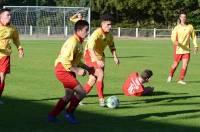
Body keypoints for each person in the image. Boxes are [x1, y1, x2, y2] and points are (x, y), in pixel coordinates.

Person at [48, 20, 90, 124]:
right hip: (62, 70)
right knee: (81, 92)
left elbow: (76, 61)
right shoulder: (73, 42)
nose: (88, 32)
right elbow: (65, 61)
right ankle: (69, 113)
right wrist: (77, 70)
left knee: (69, 95)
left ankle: (52, 116)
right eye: (86, 30)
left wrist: (88, 68)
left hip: (67, 69)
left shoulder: (79, 42)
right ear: (79, 30)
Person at [83, 14, 120, 107]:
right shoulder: (96, 34)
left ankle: (78, 97)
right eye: (108, 24)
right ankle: (101, 99)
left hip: (100, 56)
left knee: (92, 80)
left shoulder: (110, 35)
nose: (110, 27)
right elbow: (90, 49)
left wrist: (115, 57)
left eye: (111, 25)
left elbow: (112, 46)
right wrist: (96, 60)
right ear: (102, 24)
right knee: (100, 74)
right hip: (89, 56)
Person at [167, 10, 198, 85]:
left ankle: (181, 79)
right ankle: (170, 75)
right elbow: (173, 37)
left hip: (186, 50)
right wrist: (175, 41)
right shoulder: (177, 27)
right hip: (178, 49)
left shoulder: (190, 27)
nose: (183, 18)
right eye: (182, 17)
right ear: (180, 18)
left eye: (185, 17)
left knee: (185, 64)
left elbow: (193, 37)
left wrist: (196, 45)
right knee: (175, 64)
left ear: (186, 18)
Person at [0, 8, 24, 104]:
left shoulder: (12, 29)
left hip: (4, 56)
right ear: (1, 17)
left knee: (1, 78)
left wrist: (20, 49)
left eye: (10, 15)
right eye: (7, 15)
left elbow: (16, 39)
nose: (10, 17)